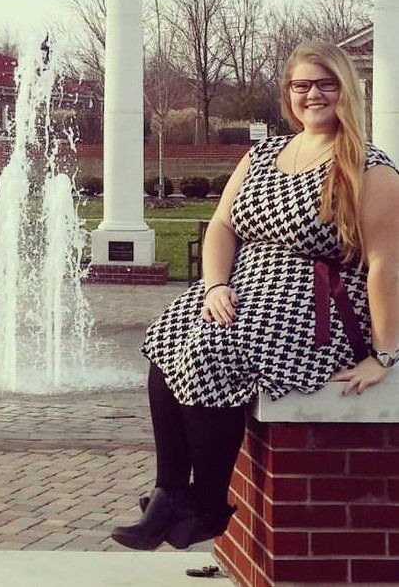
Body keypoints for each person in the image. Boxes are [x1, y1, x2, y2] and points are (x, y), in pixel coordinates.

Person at [111, 41, 399, 552]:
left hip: (316, 305)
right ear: (288, 93)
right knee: (167, 339)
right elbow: (222, 225)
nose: (313, 94)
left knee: (213, 349)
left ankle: (209, 502)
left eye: (326, 84)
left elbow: (385, 264)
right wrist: (215, 284)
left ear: (346, 90)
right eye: (302, 85)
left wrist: (383, 355)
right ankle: (170, 493)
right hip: (241, 288)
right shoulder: (262, 154)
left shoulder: (367, 166)